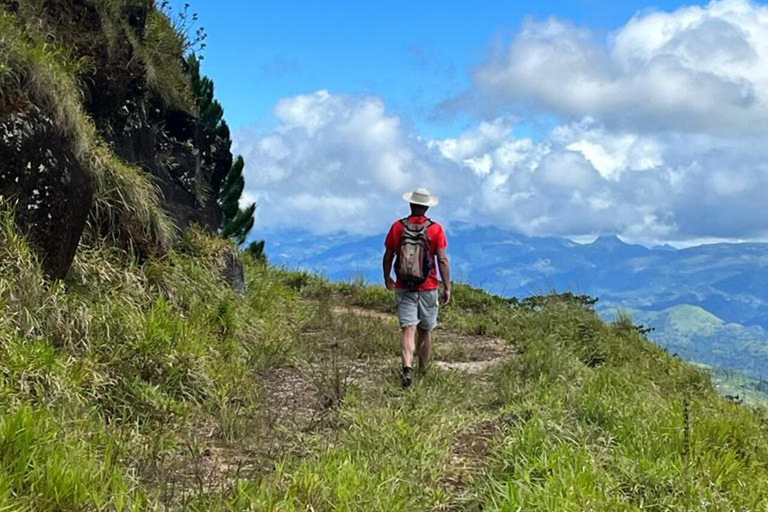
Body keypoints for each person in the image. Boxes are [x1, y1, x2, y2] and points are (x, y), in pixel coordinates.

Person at [382, 188, 451, 388]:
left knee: (408, 328)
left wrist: (387, 277)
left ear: (411, 205)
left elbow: (388, 256)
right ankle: (423, 369)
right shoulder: (436, 229)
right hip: (428, 286)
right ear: (427, 207)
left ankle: (407, 368)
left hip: (404, 285)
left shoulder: (397, 227)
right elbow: (443, 259)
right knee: (425, 330)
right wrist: (446, 287)